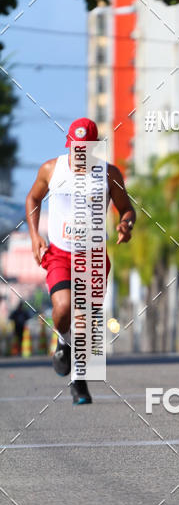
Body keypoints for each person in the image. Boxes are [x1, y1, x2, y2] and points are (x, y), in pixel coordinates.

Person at [25, 118, 136, 404]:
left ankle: (79, 381)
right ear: (70, 146)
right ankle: (63, 342)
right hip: (60, 253)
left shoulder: (108, 174)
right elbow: (33, 198)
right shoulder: (52, 169)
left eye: (84, 150)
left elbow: (126, 209)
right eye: (75, 149)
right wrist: (35, 235)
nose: (79, 156)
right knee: (63, 308)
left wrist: (126, 225)